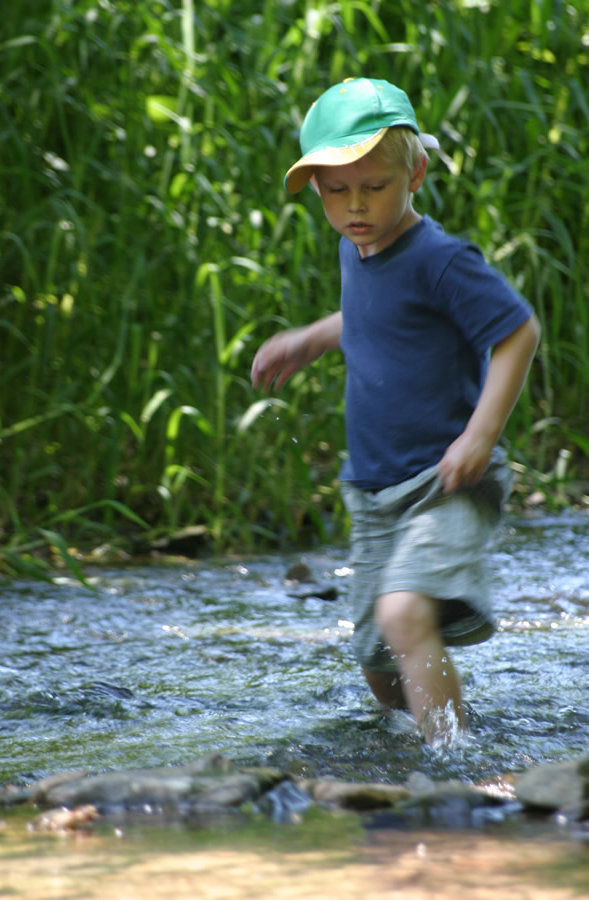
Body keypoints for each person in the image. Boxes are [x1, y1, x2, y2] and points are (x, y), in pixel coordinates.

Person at [251, 77, 541, 743]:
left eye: (375, 187)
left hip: (445, 481)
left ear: (416, 172)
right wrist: (312, 338)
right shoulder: (360, 245)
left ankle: (456, 763)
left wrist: (480, 435)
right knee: (377, 660)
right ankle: (402, 757)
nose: (356, 205)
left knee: (406, 615)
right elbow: (375, 311)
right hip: (375, 492)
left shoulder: (440, 259)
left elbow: (517, 331)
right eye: (336, 190)